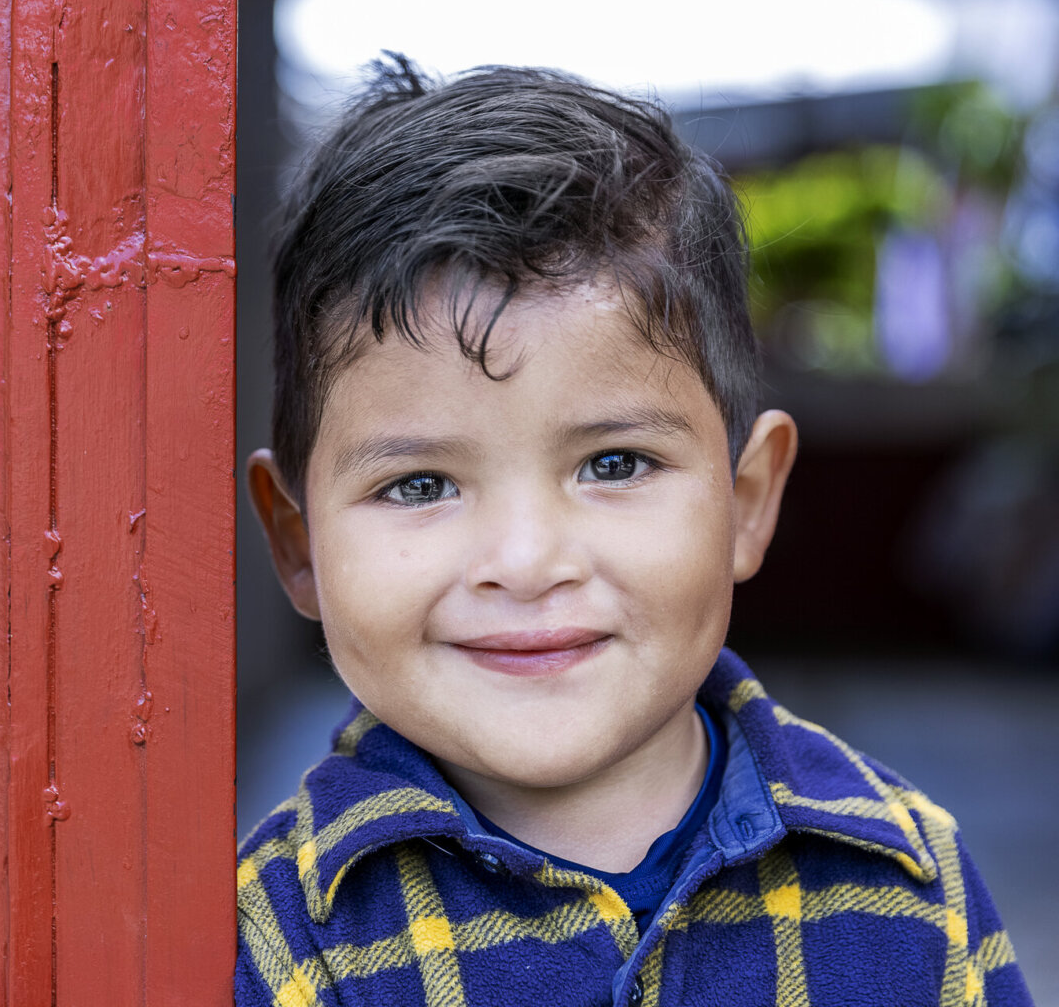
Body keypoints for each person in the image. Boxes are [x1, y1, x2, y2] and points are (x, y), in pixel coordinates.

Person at [237, 56, 1032, 1006]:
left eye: (613, 465)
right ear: (298, 545)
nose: (527, 562)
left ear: (747, 502)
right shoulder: (280, 934)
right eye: (419, 485)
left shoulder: (907, 878)